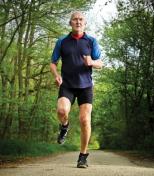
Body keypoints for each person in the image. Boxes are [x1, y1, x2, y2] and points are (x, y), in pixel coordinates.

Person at [50, 11, 103, 168]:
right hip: (67, 85)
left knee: (85, 120)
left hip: (85, 86)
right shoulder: (62, 42)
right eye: (75, 19)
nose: (78, 22)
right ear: (70, 23)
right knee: (61, 111)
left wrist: (91, 62)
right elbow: (53, 62)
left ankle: (83, 156)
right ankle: (65, 126)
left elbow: (100, 63)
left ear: (84, 23)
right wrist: (56, 75)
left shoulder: (91, 41)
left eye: (81, 20)